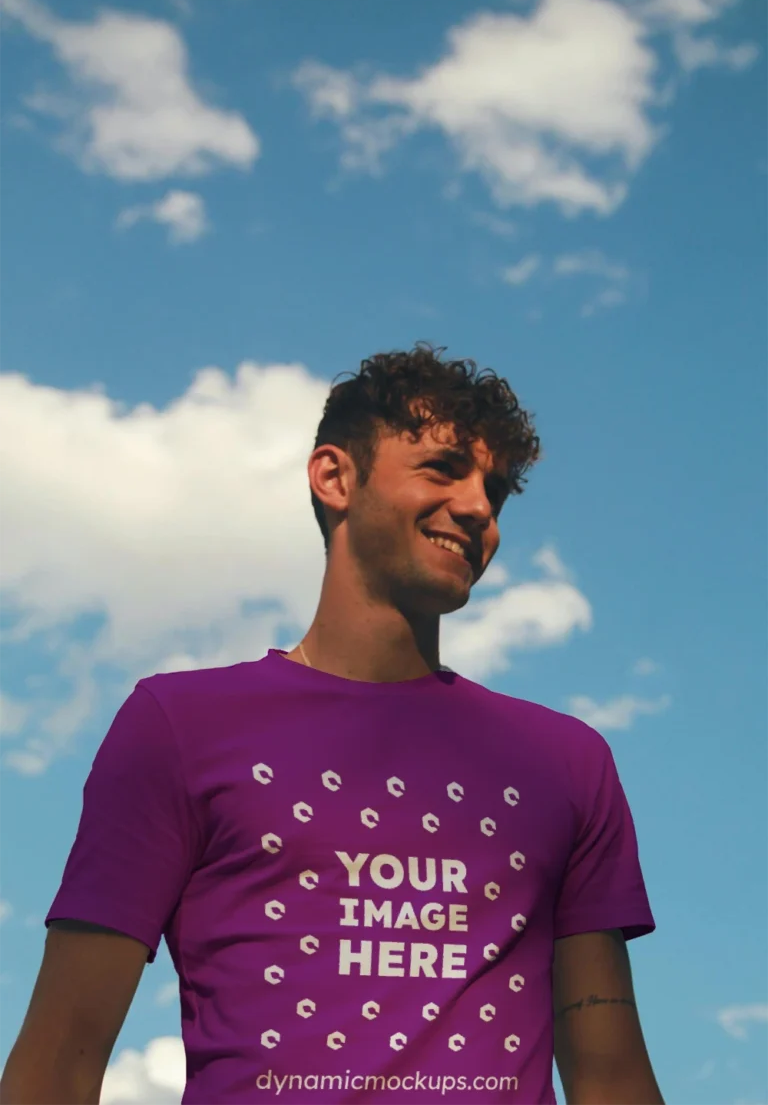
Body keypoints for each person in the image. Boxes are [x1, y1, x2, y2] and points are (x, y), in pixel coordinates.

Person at [0, 343, 665, 1104]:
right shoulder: (177, 726)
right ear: (334, 477)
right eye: (444, 468)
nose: (480, 507)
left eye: (497, 489)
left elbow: (610, 1078)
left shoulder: (568, 764)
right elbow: (57, 1063)